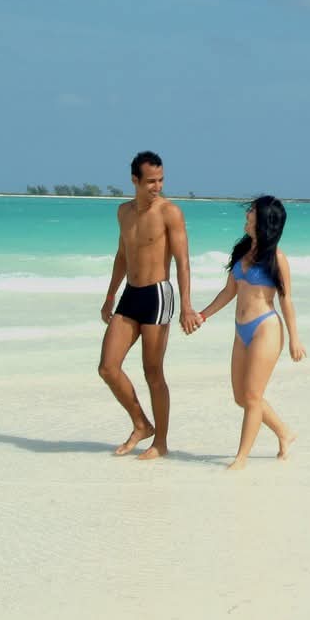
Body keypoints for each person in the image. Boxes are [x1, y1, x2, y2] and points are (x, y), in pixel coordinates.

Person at [100, 151, 201, 460]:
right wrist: (110, 295)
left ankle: (161, 442)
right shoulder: (123, 212)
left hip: (158, 295)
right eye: (151, 181)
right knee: (108, 367)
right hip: (130, 294)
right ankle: (142, 424)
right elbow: (122, 255)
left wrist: (186, 306)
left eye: (161, 180)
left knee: (153, 372)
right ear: (135, 180)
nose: (157, 187)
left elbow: (183, 261)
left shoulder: (170, 212)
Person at [195, 195, 304, 470]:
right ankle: (284, 433)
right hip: (240, 330)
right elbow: (228, 292)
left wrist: (294, 338)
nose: (247, 214)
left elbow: (286, 299)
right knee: (241, 397)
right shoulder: (242, 251)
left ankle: (241, 458)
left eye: (252, 211)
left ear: (263, 219)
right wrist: (203, 315)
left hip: (265, 328)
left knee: (253, 396)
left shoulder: (277, 258)